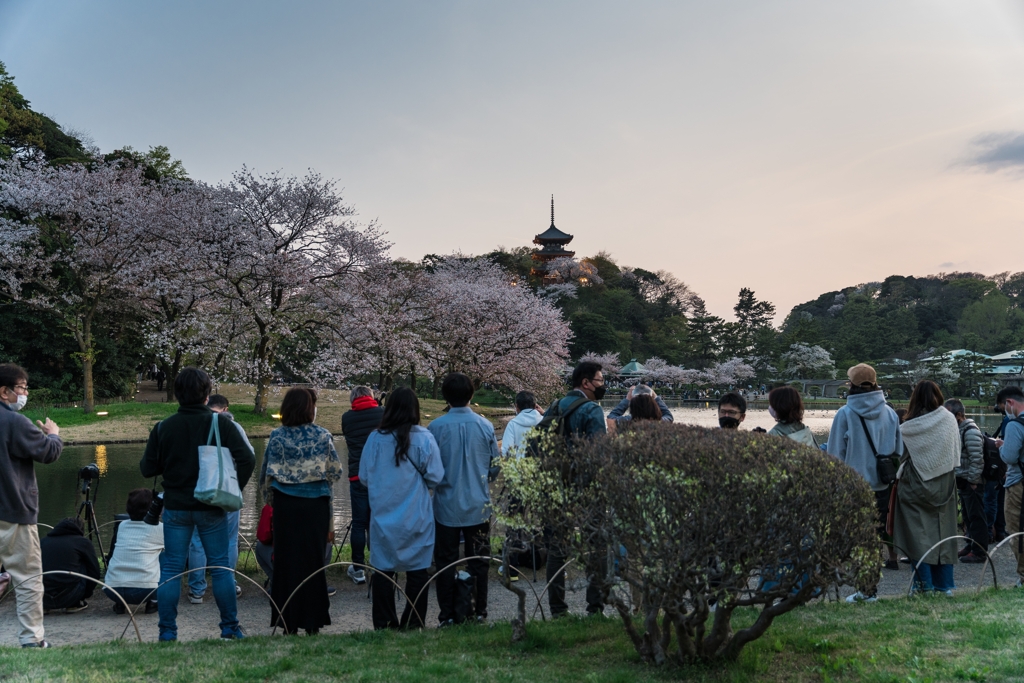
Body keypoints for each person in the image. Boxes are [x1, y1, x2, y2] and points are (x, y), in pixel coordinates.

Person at [139, 367, 256, 642]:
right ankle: (229, 628)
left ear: (177, 394)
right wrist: (234, 487)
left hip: (176, 506)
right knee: (220, 567)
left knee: (171, 569)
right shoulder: (221, 423)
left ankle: (167, 633)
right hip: (211, 504)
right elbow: (248, 458)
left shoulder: (163, 427)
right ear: (207, 394)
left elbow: (147, 469)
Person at [359, 387, 444, 629]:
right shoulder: (425, 438)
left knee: (383, 571)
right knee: (418, 571)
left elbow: (364, 476)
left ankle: (385, 622)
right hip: (416, 515)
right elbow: (436, 476)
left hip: (383, 515)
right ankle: (413, 621)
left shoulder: (375, 438)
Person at [260, 387, 341, 635]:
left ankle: (288, 622)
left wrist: (272, 500)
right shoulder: (323, 435)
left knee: (286, 563)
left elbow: (266, 476)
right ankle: (313, 621)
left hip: (286, 506)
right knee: (313, 562)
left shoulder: (277, 436)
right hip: (315, 505)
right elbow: (335, 472)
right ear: (310, 409)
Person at [428, 373, 500, 625]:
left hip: (445, 505)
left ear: (445, 397)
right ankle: (479, 611)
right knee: (479, 560)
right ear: (471, 395)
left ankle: (447, 614)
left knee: (446, 562)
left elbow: (431, 470)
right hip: (478, 504)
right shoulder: (485, 426)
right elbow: (495, 467)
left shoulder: (435, 428)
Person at [826, 363, 902, 603]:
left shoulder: (845, 413)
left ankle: (864, 589)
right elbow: (898, 449)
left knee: (857, 537)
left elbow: (835, 454)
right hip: (882, 484)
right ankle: (869, 587)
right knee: (874, 537)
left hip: (853, 486)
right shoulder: (889, 412)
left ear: (852, 385)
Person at [0, 363, 62, 647]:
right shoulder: (14, 423)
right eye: (22, 388)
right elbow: (49, 453)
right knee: (27, 579)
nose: (25, 394)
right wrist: (53, 434)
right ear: (5, 391)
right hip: (13, 512)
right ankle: (32, 640)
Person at [541, 360, 608, 617]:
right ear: (586, 383)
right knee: (596, 546)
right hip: (587, 487)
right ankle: (595, 608)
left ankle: (558, 610)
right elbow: (598, 452)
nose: (603, 385)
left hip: (556, 485)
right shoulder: (592, 410)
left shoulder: (555, 405)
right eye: (600, 380)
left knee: (557, 548)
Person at [893, 381, 960, 595]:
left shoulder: (908, 427)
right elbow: (956, 449)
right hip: (945, 481)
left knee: (918, 535)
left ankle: (924, 585)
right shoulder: (949, 419)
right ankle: (945, 585)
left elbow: (898, 453)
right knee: (944, 532)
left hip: (915, 482)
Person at [187, 394, 253, 603]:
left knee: (197, 540)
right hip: (227, 489)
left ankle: (197, 589)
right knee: (230, 539)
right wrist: (238, 485)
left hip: (202, 488)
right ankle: (228, 584)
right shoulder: (233, 426)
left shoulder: (197, 424)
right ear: (226, 409)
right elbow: (248, 456)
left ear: (207, 404)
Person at [341, 386, 384, 585]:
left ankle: (358, 568)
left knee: (358, 523)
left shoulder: (347, 418)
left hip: (357, 476)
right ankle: (379, 565)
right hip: (380, 476)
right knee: (378, 521)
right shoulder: (382, 414)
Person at [102, 489, 164, 614]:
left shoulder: (122, 525)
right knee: (165, 556)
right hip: (144, 591)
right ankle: (153, 602)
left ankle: (120, 604)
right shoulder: (159, 528)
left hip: (112, 590)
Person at [943, 399, 988, 563]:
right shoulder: (959, 429)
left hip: (971, 481)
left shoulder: (970, 431)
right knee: (968, 517)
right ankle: (970, 545)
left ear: (959, 414)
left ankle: (979, 551)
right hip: (964, 479)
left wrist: (973, 480)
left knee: (976, 517)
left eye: (949, 415)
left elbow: (977, 458)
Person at [39, 517, 101, 613]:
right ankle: (74, 605)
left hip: (42, 597)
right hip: (71, 596)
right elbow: (95, 572)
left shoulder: (42, 542)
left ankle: (44, 607)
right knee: (86, 563)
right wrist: (85, 595)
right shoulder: (82, 542)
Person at [995, 385, 1024, 587]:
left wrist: (1001, 446)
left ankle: (1023, 577)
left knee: (1017, 531)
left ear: (1010, 403)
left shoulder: (1015, 425)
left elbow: (1010, 457)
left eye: (1003, 406)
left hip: (1018, 484)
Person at [986, 390, 1013, 543]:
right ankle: (1000, 531)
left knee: (991, 499)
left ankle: (990, 533)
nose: (999, 408)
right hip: (1007, 468)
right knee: (1000, 500)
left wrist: (1006, 467)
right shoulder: (1011, 419)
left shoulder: (1010, 421)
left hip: (1002, 466)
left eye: (1000, 405)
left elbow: (1005, 445)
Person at [606, 385, 673, 432]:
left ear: (632, 407)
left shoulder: (627, 421)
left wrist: (627, 399)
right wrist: (655, 397)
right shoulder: (660, 422)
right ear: (654, 406)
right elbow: (668, 415)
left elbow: (611, 417)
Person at [501, 391, 543, 457]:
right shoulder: (544, 421)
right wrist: (544, 414)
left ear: (517, 406)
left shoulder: (512, 424)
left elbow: (506, 451)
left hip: (519, 465)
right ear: (535, 406)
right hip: (541, 465)